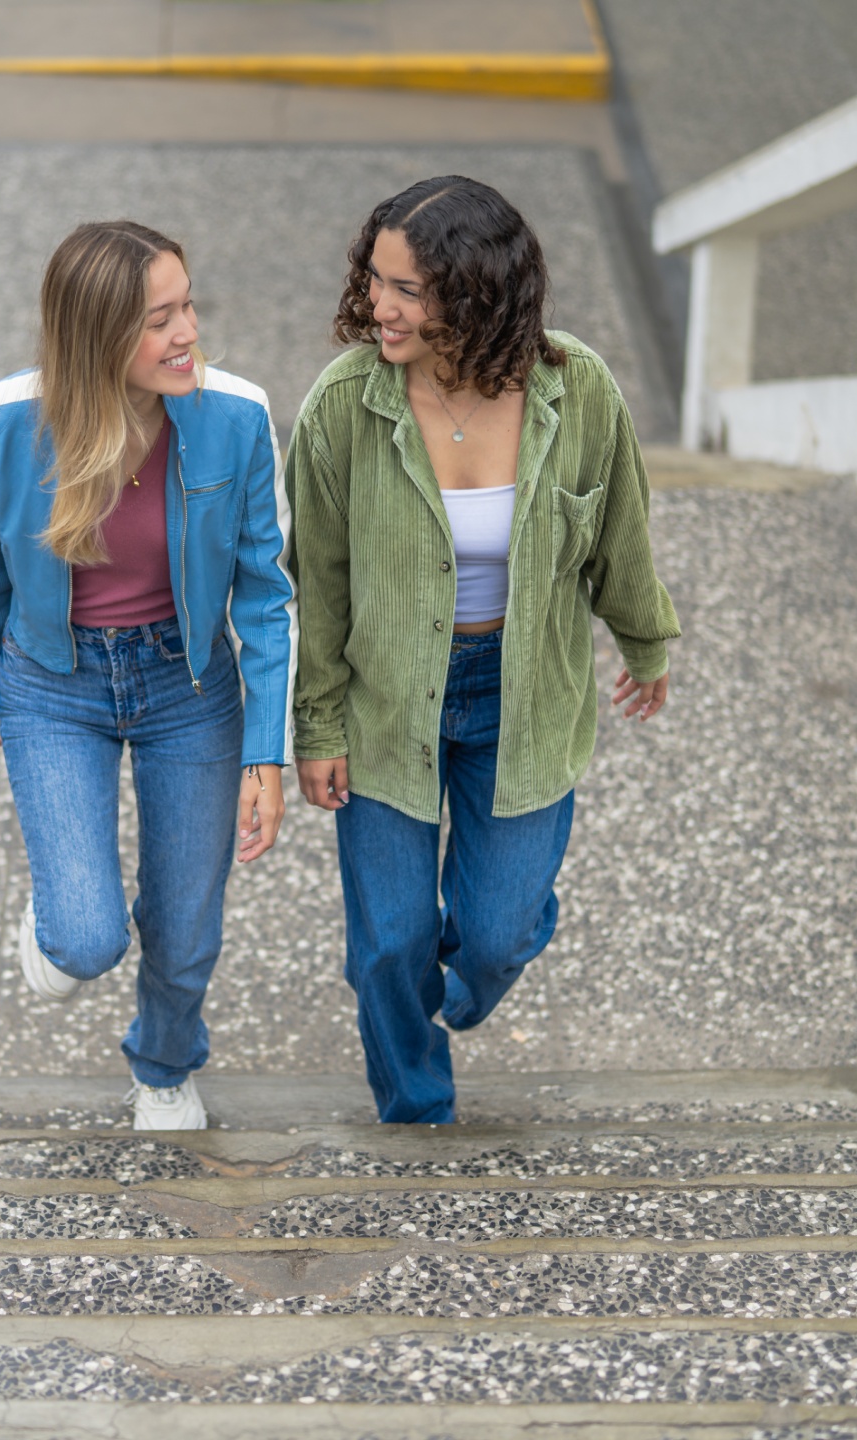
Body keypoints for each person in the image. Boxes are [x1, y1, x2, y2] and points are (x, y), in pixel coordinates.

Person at [285, 176, 679, 1124]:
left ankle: (474, 962)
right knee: (390, 942)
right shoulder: (343, 406)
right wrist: (318, 723)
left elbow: (619, 526)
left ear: (477, 290)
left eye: (408, 289)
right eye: (375, 279)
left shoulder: (575, 389)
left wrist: (645, 641)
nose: (380, 306)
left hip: (523, 692)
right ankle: (416, 1107)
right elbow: (318, 583)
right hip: (387, 702)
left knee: (498, 934)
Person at [0, 221, 297, 1131]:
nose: (186, 333)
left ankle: (165, 1065)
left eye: (187, 307)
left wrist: (270, 751)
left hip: (190, 688)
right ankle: (63, 916)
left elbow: (265, 595)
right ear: (95, 336)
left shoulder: (236, 416)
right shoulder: (2, 423)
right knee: (86, 937)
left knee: (186, 927)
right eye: (158, 320)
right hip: (53, 687)